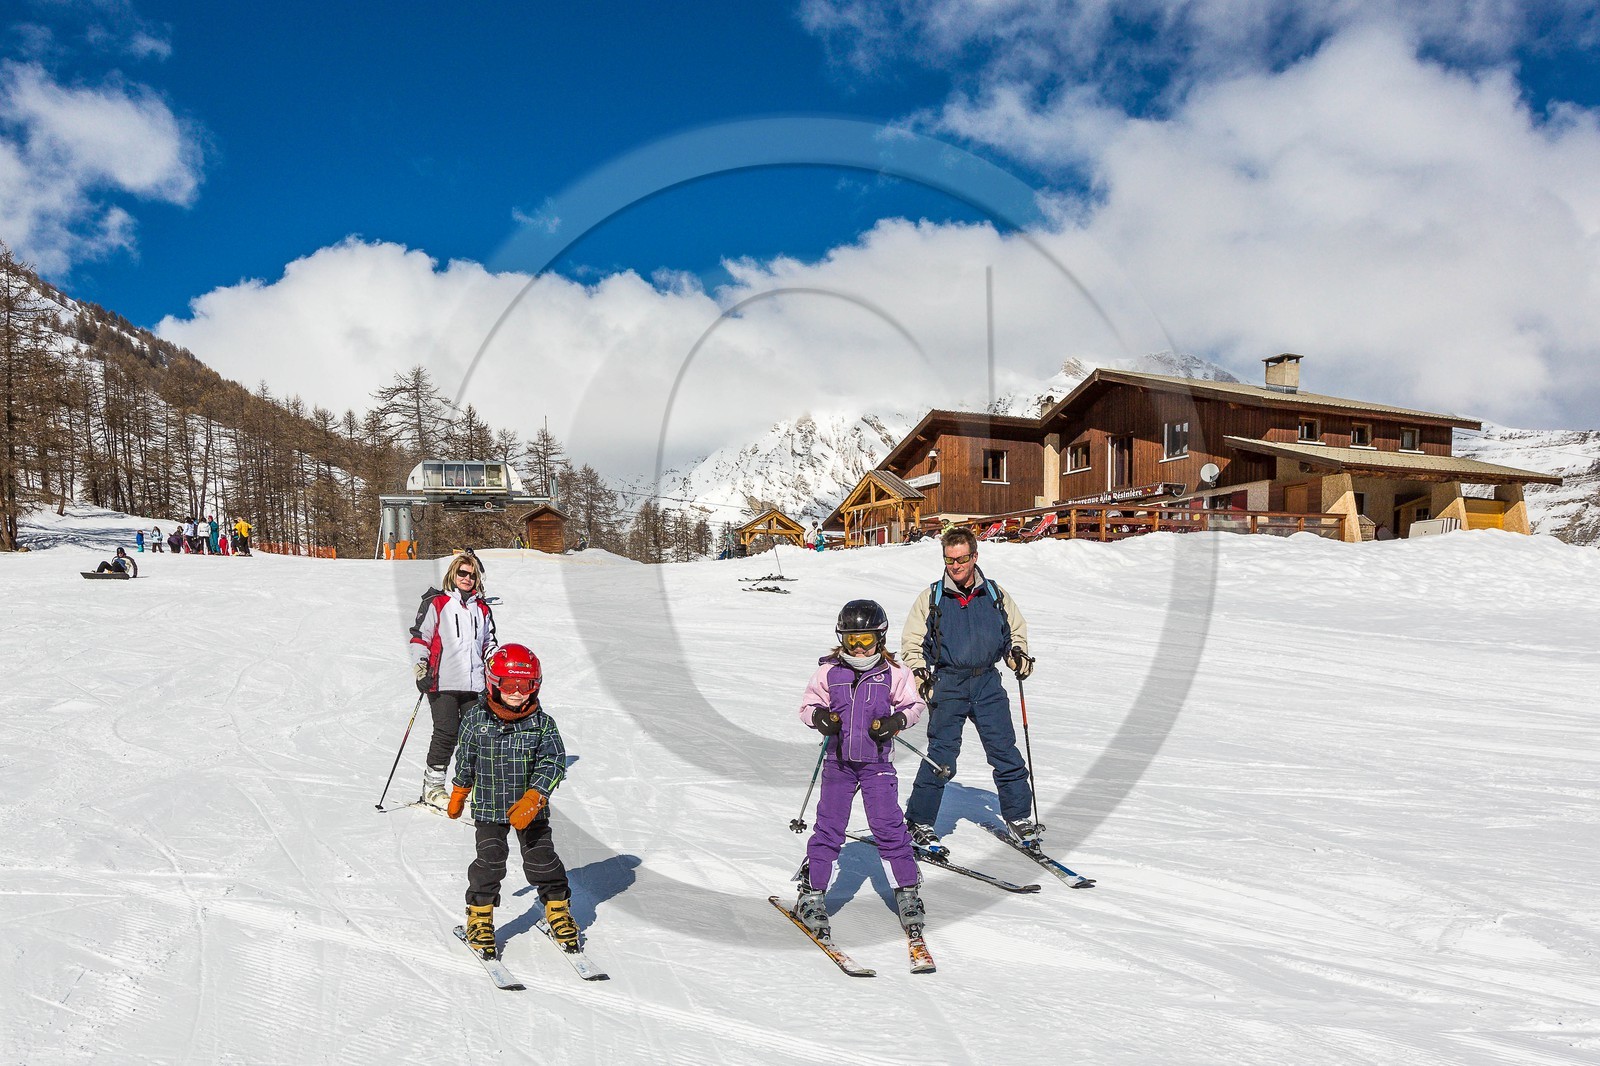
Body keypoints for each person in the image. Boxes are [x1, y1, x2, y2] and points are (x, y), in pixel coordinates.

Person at [792, 600, 927, 942]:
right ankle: (812, 894)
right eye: (852, 640)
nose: (858, 647)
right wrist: (819, 719)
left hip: (876, 764)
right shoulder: (829, 671)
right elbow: (808, 705)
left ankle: (908, 890)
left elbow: (914, 705)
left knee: (887, 825)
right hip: (838, 763)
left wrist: (896, 721)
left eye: (865, 639)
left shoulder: (894, 673)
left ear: (880, 637)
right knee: (829, 828)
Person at [900, 528, 1038, 851]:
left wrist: (1017, 654)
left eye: (962, 559)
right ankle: (919, 821)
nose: (956, 566)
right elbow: (912, 641)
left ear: (975, 556)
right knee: (942, 756)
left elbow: (1014, 629)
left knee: (1004, 750)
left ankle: (1018, 816)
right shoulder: (932, 597)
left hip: (987, 682)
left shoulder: (993, 594)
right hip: (948, 683)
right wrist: (921, 674)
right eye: (950, 560)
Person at [446, 643, 579, 953]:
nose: (518, 692)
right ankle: (479, 918)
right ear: (495, 683)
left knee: (542, 861)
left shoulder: (542, 724)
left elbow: (554, 761)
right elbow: (466, 756)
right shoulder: (476, 720)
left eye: (526, 685)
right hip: (490, 810)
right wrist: (460, 789)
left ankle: (558, 911)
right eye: (510, 684)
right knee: (489, 862)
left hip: (530, 810)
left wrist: (536, 796)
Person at [409, 552, 499, 807]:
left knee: (476, 737)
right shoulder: (437, 602)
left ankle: (470, 788)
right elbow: (420, 637)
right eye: (462, 573)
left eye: (472, 575)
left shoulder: (482, 608)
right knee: (446, 733)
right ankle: (433, 787)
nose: (467, 578)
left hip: (475, 686)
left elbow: (489, 643)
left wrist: (495, 667)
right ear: (453, 574)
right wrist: (421, 670)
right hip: (442, 683)